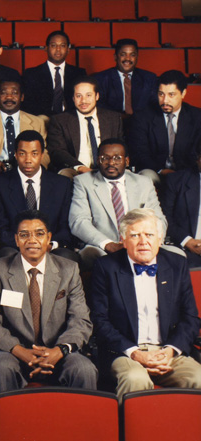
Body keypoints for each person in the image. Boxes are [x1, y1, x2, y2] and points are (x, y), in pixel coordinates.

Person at [0, 210, 97, 395]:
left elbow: (80, 320)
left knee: (84, 369)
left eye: (39, 234)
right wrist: (19, 350)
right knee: (1, 367)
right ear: (16, 240)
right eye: (24, 235)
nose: (32, 240)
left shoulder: (69, 269)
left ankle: (82, 424)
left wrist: (59, 350)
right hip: (14, 352)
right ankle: (5, 424)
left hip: (58, 352)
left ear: (49, 238)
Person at [90, 208, 201, 401]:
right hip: (125, 352)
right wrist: (136, 354)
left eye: (149, 234)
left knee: (198, 378)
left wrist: (171, 350)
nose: (143, 242)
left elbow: (190, 317)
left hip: (168, 351)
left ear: (160, 238)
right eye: (135, 235)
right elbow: (100, 321)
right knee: (135, 379)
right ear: (123, 240)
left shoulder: (176, 263)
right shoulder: (105, 267)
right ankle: (134, 432)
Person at [70, 139, 169, 270]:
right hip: (102, 247)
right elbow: (79, 221)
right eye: (105, 158)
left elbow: (158, 219)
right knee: (92, 255)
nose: (111, 163)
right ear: (98, 160)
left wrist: (149, 242)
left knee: (177, 254)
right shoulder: (83, 182)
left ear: (126, 161)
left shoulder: (144, 182)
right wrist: (108, 244)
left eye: (117, 158)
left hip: (141, 243)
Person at [0, 130, 75, 261]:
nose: (28, 160)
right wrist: (26, 245)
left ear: (42, 155)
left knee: (67, 257)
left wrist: (50, 244)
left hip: (50, 246)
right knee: (6, 256)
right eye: (22, 154)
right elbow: (1, 226)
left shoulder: (61, 184)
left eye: (34, 154)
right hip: (15, 247)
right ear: (15, 154)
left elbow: (65, 226)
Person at [128, 70, 201, 185]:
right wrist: (162, 171)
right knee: (146, 177)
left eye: (171, 95)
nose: (165, 100)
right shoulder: (142, 117)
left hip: (187, 172)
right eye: (161, 94)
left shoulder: (197, 117)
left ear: (183, 93)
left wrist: (181, 174)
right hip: (156, 171)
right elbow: (139, 153)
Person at [47, 76, 123, 178]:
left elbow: (121, 147)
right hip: (76, 170)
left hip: (108, 168)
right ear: (73, 98)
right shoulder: (60, 120)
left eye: (88, 95)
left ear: (97, 96)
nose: (83, 101)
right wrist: (80, 167)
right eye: (79, 96)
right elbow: (57, 151)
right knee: (65, 174)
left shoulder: (113, 118)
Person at [0, 78, 47, 175]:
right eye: (4, 93)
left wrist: (34, 169)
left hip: (28, 171)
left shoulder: (37, 122)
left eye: (14, 93)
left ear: (22, 97)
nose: (9, 97)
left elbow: (44, 153)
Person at [22, 31, 87, 117]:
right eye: (53, 45)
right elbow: (28, 105)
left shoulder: (79, 73)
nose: (58, 49)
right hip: (42, 119)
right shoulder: (31, 74)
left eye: (62, 46)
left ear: (68, 49)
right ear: (46, 48)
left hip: (71, 120)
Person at [94, 39, 157, 115]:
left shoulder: (149, 78)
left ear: (137, 57)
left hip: (142, 123)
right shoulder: (101, 79)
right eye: (123, 54)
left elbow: (154, 105)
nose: (128, 59)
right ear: (115, 57)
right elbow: (100, 107)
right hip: (113, 122)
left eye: (132, 55)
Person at [162, 149, 201, 268]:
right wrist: (187, 241)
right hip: (188, 248)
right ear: (198, 158)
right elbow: (164, 217)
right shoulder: (176, 180)